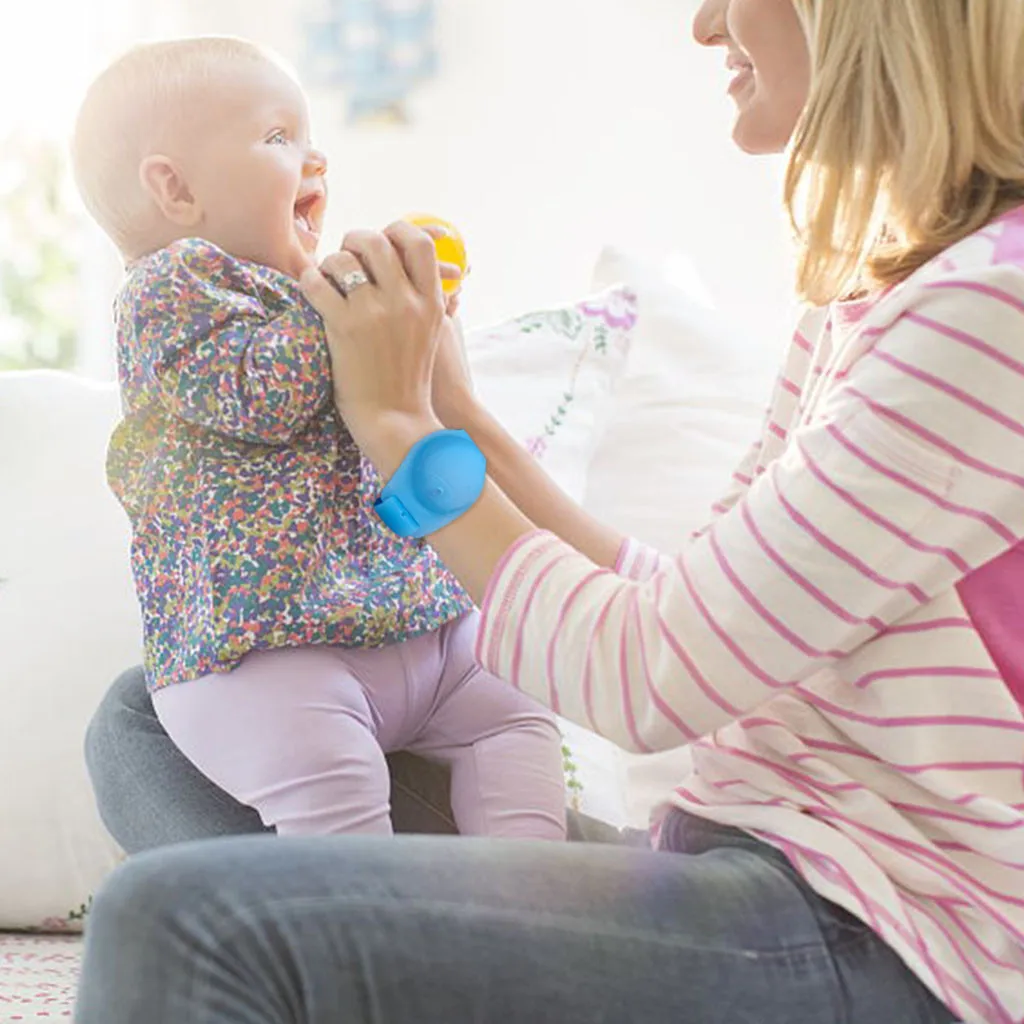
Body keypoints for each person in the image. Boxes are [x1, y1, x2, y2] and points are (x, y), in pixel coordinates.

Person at [77, 0, 1024, 1021]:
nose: (705, 22)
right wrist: (460, 418)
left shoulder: (982, 314)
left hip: (884, 932)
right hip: (760, 847)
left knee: (177, 921)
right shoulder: (877, 293)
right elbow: (698, 613)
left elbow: (651, 678)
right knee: (151, 714)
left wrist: (397, 426)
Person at [69, 37, 567, 843]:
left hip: (416, 619)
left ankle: (534, 886)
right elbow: (259, 395)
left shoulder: (300, 294)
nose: (316, 159)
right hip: (272, 652)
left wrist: (411, 330)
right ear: (177, 189)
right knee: (332, 785)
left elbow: (403, 433)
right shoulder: (170, 288)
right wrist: (345, 304)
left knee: (516, 706)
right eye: (278, 137)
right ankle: (361, 910)